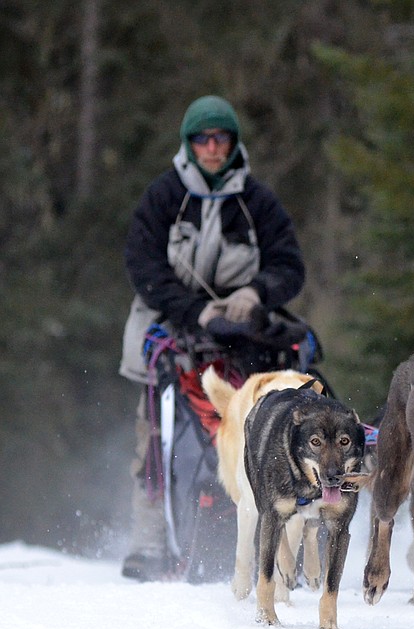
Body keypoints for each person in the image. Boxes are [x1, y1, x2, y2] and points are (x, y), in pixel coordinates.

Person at [118, 95, 306, 581]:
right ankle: (149, 544)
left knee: (263, 426)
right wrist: (194, 310)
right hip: (168, 326)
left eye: (220, 137)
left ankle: (284, 538)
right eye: (202, 138)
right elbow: (143, 266)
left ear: (233, 142)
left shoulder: (257, 201)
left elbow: (290, 266)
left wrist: (255, 293)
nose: (212, 148)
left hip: (246, 336)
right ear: (189, 143)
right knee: (153, 437)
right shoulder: (164, 196)